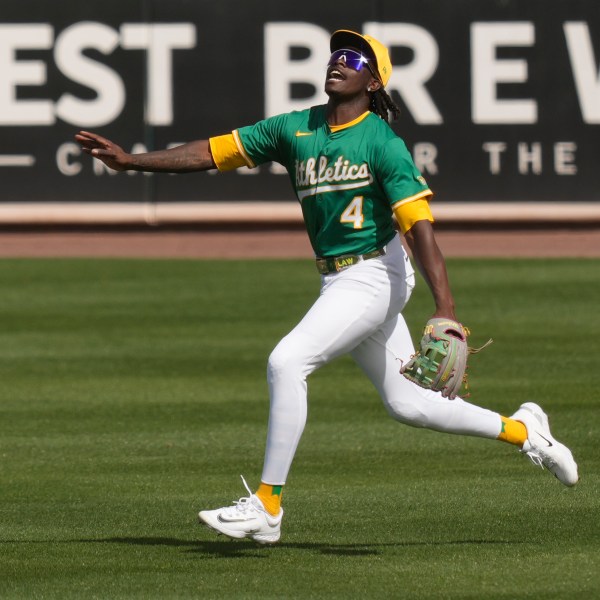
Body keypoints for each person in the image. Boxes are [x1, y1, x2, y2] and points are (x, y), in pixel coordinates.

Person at [76, 29, 578, 545]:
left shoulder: (381, 142)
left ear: (374, 79)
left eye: (354, 56)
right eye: (336, 53)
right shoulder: (296, 128)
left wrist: (445, 311)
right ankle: (526, 430)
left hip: (376, 272)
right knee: (411, 405)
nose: (340, 60)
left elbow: (418, 226)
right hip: (338, 278)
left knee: (287, 360)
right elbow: (214, 151)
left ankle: (267, 506)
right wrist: (132, 162)